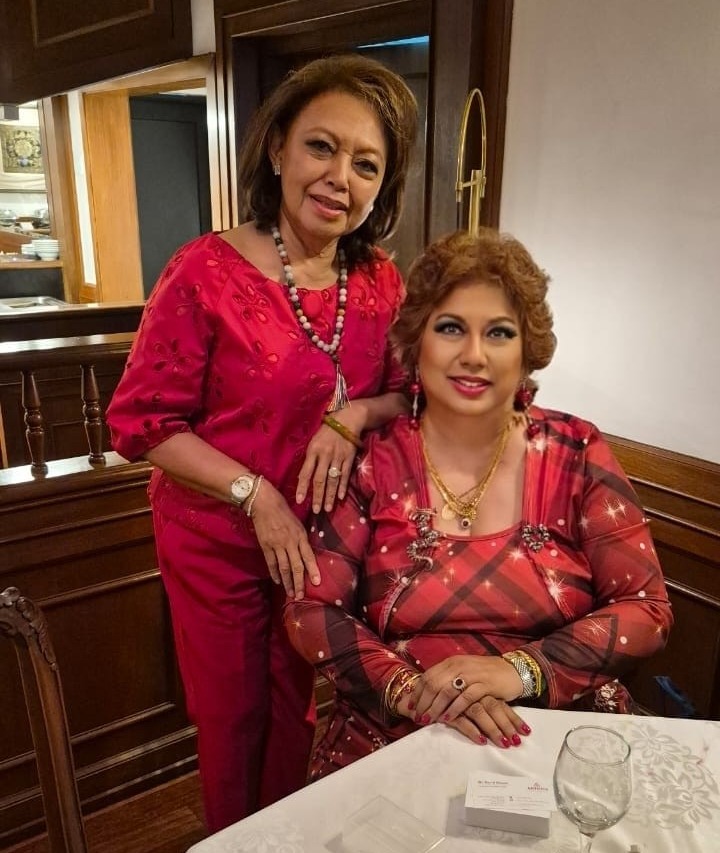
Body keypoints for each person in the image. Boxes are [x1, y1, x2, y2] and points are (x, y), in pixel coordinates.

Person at [106, 54, 418, 830]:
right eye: (321, 146)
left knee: (298, 709)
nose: (340, 177)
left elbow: (408, 395)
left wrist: (353, 416)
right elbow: (142, 424)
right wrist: (256, 494)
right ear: (277, 148)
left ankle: (286, 840)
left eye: (366, 164)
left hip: (322, 540)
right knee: (234, 718)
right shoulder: (203, 272)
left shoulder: (379, 279)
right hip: (216, 537)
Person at [284, 228, 673, 780]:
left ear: (526, 350)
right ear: (417, 342)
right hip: (394, 734)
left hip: (556, 736)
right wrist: (415, 692)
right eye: (450, 328)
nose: (473, 355)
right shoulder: (371, 460)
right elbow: (311, 609)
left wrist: (521, 671)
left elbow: (645, 606)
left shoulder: (577, 450)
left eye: (499, 333)